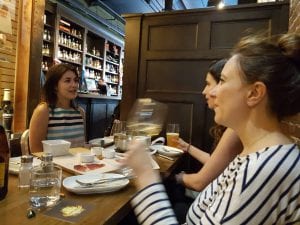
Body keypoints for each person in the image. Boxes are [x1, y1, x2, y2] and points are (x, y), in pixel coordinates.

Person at [124, 33, 300, 224]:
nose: (213, 92)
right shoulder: (255, 155)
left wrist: (145, 175)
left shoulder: (265, 169)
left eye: (222, 81)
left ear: (254, 93)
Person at [175, 59, 243, 192]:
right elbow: (215, 161)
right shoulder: (230, 126)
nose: (206, 91)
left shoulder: (235, 129)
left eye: (208, 84)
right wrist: (186, 147)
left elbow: (199, 183)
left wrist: (174, 177)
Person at [29, 63, 86, 153]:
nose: (74, 85)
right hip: (53, 166)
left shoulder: (80, 112)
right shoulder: (44, 111)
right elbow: (36, 152)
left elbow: (81, 147)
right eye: (67, 81)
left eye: (76, 80)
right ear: (55, 86)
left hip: (78, 165)